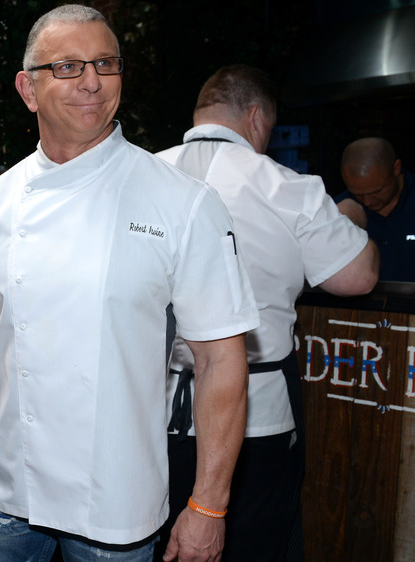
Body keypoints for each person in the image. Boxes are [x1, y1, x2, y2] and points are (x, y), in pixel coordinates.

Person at [0, 6, 261, 562]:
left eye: (106, 64)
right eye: (68, 66)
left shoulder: (184, 203)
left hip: (116, 503)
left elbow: (221, 361)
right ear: (27, 88)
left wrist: (209, 505)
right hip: (2, 494)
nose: (92, 81)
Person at [155, 64, 380, 561]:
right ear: (256, 118)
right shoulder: (285, 185)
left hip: (146, 415)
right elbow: (358, 276)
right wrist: (350, 215)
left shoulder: (141, 174)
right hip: (255, 419)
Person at [336, 137, 415, 281]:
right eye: (358, 194)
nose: (367, 202)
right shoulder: (340, 210)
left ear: (396, 168)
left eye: (376, 192)